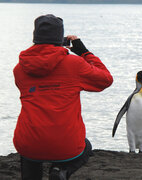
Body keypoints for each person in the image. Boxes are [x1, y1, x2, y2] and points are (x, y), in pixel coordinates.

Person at [13, 14, 113, 180]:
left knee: (30, 146)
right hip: (66, 145)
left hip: (29, 143)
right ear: (60, 39)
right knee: (85, 146)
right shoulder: (75, 64)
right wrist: (84, 52)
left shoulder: (20, 69)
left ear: (35, 37)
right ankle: (61, 170)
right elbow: (106, 80)